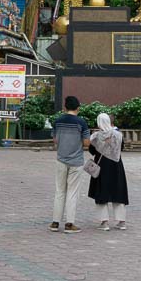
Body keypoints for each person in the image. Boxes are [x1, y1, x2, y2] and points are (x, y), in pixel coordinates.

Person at [50, 95, 89, 233]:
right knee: (72, 192)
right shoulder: (81, 123)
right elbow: (86, 143)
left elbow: (55, 140)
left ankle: (55, 222)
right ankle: (69, 224)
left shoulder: (57, 121)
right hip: (76, 161)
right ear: (78, 107)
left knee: (59, 191)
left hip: (61, 159)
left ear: (65, 107)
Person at [87, 113, 129, 230]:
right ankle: (121, 221)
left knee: (101, 191)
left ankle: (104, 222)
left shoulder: (96, 136)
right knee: (118, 191)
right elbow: (121, 148)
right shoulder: (118, 135)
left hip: (102, 166)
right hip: (116, 166)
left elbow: (92, 151)